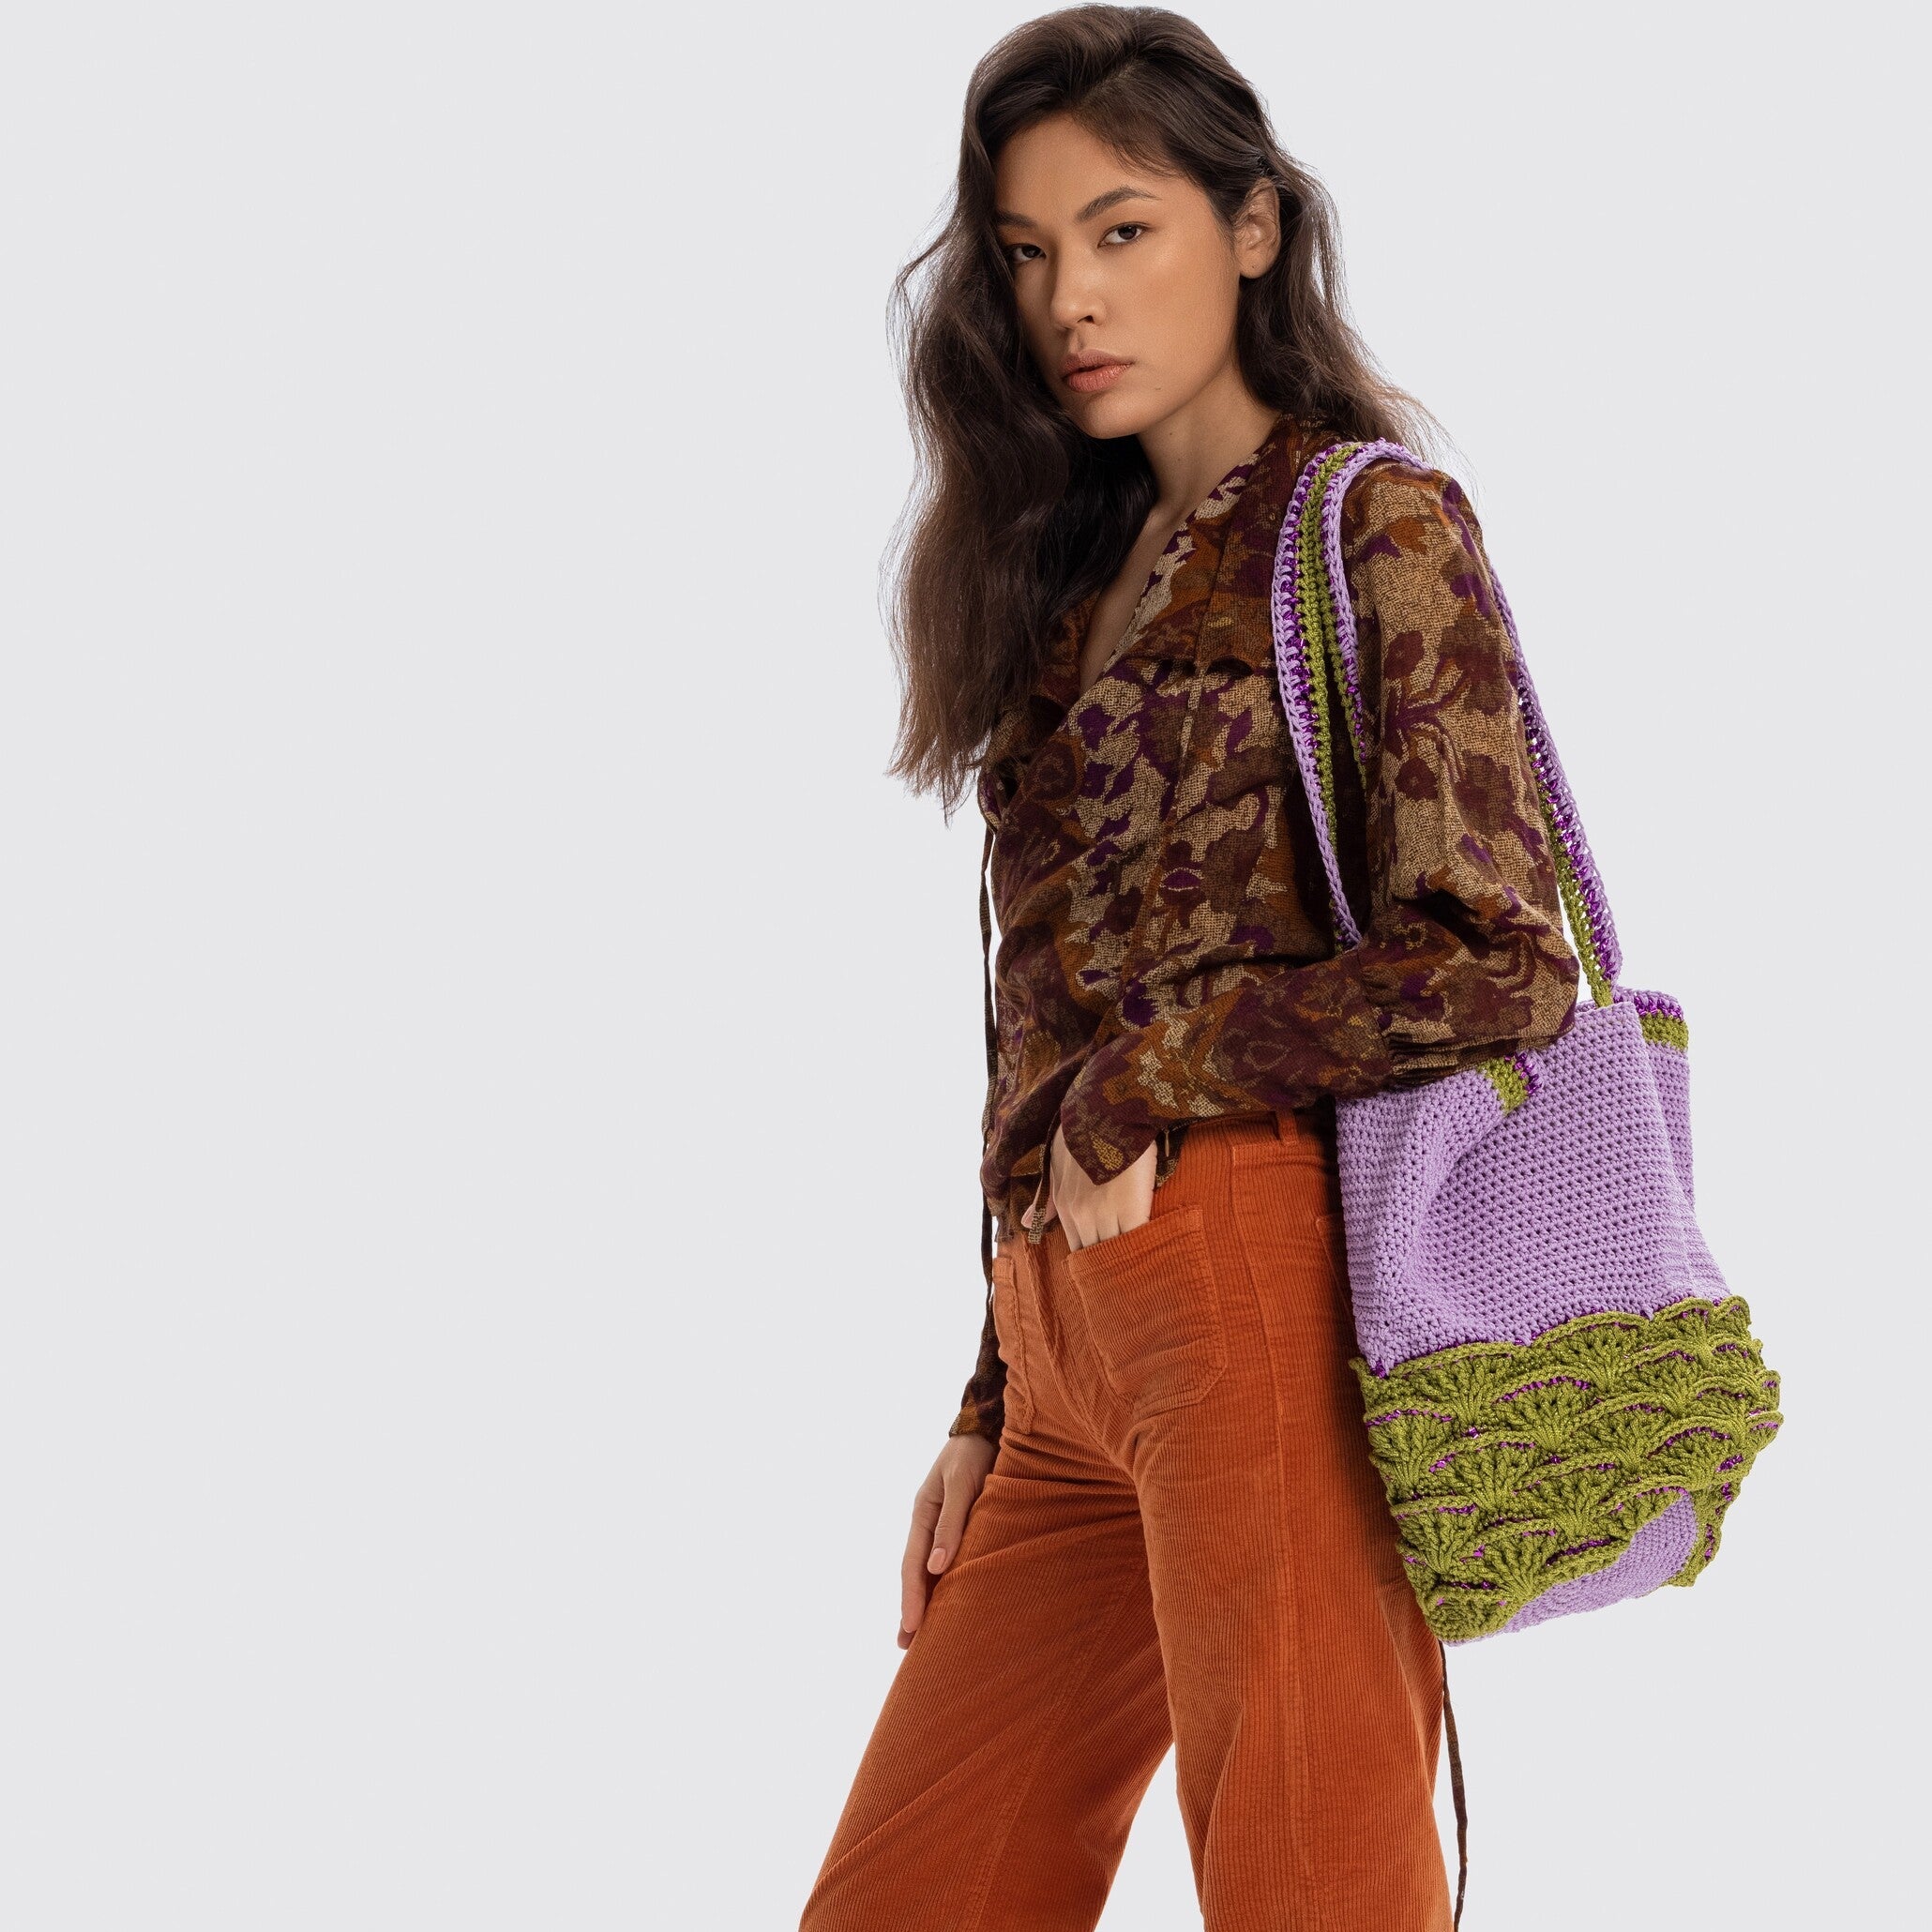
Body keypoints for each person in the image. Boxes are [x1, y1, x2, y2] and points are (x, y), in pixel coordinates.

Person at [800, 10, 1578, 1929]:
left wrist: (1157, 1078)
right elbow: (1037, 1019)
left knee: (1312, 1887)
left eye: (1121, 230)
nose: (1068, 297)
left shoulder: (1367, 520)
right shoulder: (1061, 586)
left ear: (1250, 229)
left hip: (1253, 1275)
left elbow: (1502, 962)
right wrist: (993, 1392)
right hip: (1064, 1341)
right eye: (1025, 251)